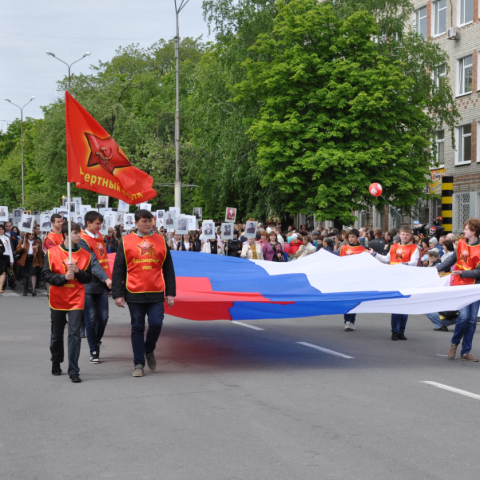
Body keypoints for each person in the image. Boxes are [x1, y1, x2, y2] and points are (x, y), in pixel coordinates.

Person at [112, 209, 176, 377]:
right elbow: (118, 269)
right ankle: (138, 364)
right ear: (136, 222)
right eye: (144, 221)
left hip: (156, 290)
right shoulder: (125, 242)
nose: (148, 224)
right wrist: (117, 294)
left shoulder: (161, 240)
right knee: (137, 327)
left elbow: (168, 268)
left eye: (150, 221)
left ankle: (149, 349)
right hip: (134, 291)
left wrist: (170, 293)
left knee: (156, 323)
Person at [42, 222, 92, 383]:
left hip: (76, 298)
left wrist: (78, 272)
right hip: (57, 298)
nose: (79, 235)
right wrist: (63, 278)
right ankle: (56, 361)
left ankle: (74, 370)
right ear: (66, 234)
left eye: (79, 232)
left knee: (74, 335)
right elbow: (46, 275)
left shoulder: (86, 254)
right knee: (57, 335)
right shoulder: (51, 253)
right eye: (76, 233)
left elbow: (88, 278)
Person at [436, 218, 480, 362]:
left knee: (472, 320)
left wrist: (462, 273)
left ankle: (466, 351)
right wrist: (435, 269)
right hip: (460, 286)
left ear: (474, 231)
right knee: (463, 317)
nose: (464, 231)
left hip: (474, 287)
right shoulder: (461, 243)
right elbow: (452, 260)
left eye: (466, 229)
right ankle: (454, 343)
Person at [369, 226, 419, 340]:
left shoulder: (414, 248)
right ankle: (395, 331)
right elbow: (387, 260)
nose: (405, 236)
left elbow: (414, 262)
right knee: (396, 305)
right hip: (395, 279)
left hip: (407, 279)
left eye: (407, 234)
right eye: (403, 234)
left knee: (405, 307)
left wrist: (402, 265)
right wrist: (374, 254)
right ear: (399, 235)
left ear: (410, 235)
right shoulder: (393, 246)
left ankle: (402, 330)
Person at [79, 211, 113, 364]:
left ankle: (96, 341)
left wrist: (110, 278)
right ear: (88, 223)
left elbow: (104, 259)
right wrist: (106, 278)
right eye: (97, 224)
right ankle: (93, 349)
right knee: (91, 318)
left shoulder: (99, 237)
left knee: (104, 317)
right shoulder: (82, 240)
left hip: (103, 283)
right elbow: (92, 261)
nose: (100, 226)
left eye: (101, 224)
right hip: (88, 283)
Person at [338, 229, 366, 331]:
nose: (351, 239)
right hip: (346, 278)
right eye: (349, 237)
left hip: (356, 278)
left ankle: (352, 321)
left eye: (353, 237)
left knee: (355, 300)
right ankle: (347, 321)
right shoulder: (344, 248)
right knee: (346, 299)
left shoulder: (362, 250)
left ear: (358, 238)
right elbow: (340, 262)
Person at [16, 231, 43, 296]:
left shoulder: (37, 241)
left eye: (33, 234)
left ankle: (33, 290)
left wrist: (40, 262)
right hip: (24, 259)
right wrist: (21, 248)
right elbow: (17, 250)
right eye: (30, 234)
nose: (31, 235)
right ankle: (25, 290)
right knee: (25, 276)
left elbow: (39, 253)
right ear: (27, 235)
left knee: (33, 275)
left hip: (33, 259)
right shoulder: (23, 240)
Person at [0, 224, 14, 293]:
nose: (1, 231)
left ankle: (1, 287)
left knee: (3, 271)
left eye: (2, 229)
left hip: (5, 256)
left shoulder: (7, 238)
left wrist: (11, 260)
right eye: (0, 229)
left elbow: (10, 249)